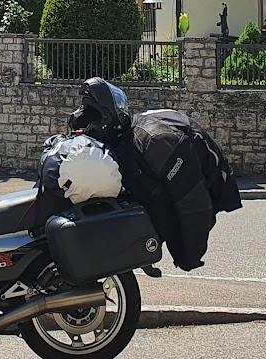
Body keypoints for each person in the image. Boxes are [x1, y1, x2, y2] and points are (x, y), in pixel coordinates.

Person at [70, 78, 241, 271]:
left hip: (209, 177)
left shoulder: (156, 143)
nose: (87, 122)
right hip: (173, 163)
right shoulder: (125, 141)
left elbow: (194, 203)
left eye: (93, 116)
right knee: (139, 192)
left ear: (108, 119)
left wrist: (188, 256)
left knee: (162, 206)